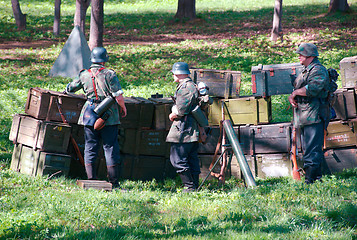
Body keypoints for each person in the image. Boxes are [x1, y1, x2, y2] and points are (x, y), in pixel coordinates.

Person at [65, 47, 127, 188]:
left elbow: (70, 88)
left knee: (90, 146)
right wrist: (123, 108)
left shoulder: (84, 74)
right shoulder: (110, 74)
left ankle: (91, 180)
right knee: (110, 146)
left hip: (89, 114)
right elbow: (118, 95)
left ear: (92, 59)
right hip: (108, 114)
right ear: (104, 60)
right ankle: (114, 182)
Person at [288, 43, 331, 184]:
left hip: (315, 115)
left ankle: (311, 181)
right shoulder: (307, 70)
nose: (299, 56)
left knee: (312, 149)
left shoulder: (318, 70)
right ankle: (315, 178)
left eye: (302, 54)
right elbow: (300, 88)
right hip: (305, 115)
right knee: (308, 148)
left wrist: (295, 93)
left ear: (310, 56)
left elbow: (314, 88)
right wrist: (292, 95)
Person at [166, 62, 202, 192]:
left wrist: (173, 113)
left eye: (174, 74)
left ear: (178, 73)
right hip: (190, 128)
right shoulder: (190, 85)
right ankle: (194, 186)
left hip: (184, 129)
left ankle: (189, 187)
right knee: (191, 157)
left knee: (177, 159)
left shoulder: (186, 87)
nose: (173, 76)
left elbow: (181, 110)